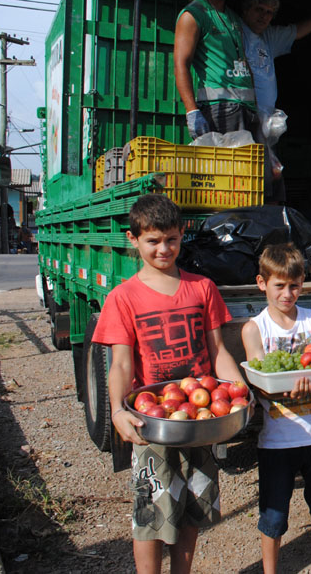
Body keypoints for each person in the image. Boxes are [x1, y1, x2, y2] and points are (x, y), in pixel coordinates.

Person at [93, 194, 246, 574]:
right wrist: (116, 411)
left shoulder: (202, 288)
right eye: (153, 240)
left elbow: (218, 353)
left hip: (199, 418)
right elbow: (121, 363)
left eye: (172, 239)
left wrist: (240, 392)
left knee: (193, 507)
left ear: (182, 236)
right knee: (150, 514)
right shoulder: (123, 297)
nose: (164, 248)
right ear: (134, 239)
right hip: (151, 424)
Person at [241, 243, 311, 574]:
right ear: (262, 283)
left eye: (294, 285)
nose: (287, 294)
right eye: (279, 286)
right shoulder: (254, 329)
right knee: (273, 516)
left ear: (303, 282)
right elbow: (261, 380)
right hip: (278, 441)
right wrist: (286, 385)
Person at [173, 0, 258, 139]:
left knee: (249, 168)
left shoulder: (233, 17)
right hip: (219, 109)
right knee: (224, 169)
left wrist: (256, 108)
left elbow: (243, 60)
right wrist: (192, 111)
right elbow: (181, 64)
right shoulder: (194, 15)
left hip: (246, 109)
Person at [239, 0, 311, 117]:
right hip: (241, 114)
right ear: (246, 10)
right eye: (259, 9)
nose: (264, 16)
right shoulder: (234, 30)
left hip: (266, 118)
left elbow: (298, 31)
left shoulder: (268, 36)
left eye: (269, 12)